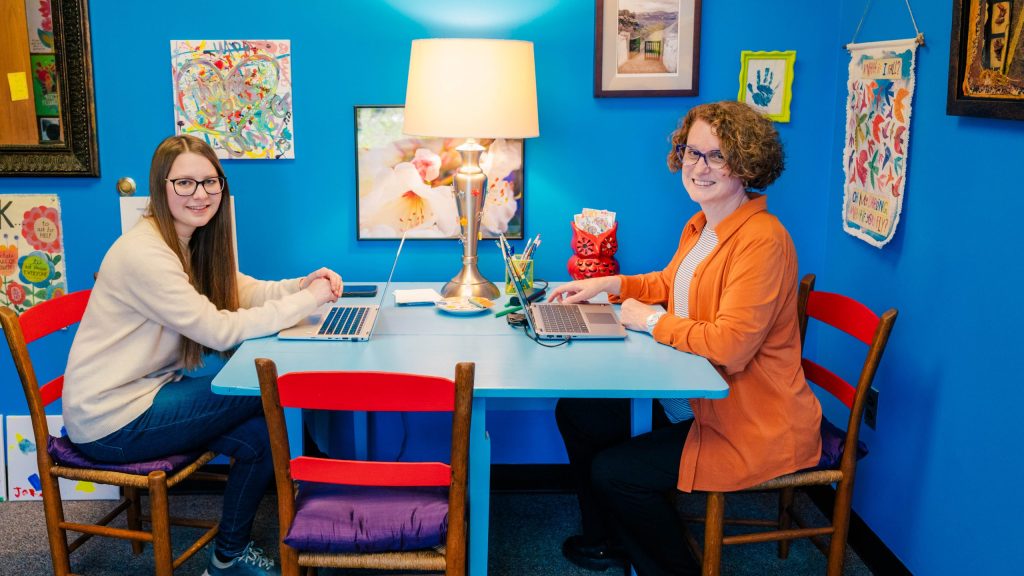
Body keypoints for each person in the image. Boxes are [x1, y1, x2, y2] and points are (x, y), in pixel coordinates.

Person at [550, 101, 823, 576]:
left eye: (717, 156)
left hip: (747, 418)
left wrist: (650, 322)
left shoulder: (763, 240)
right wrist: (609, 286)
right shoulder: (704, 225)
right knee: (578, 413)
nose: (699, 166)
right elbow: (670, 284)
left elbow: (732, 345)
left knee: (617, 474)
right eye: (691, 152)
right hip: (693, 397)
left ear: (747, 163)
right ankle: (605, 540)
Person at [63, 134, 343, 576]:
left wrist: (302, 286)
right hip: (110, 419)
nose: (201, 194)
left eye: (210, 182)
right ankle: (324, 503)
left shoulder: (188, 240)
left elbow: (239, 290)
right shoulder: (145, 254)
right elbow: (217, 328)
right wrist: (307, 302)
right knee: (272, 394)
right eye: (185, 184)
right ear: (161, 186)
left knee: (261, 434)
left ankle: (227, 556)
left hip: (148, 395)